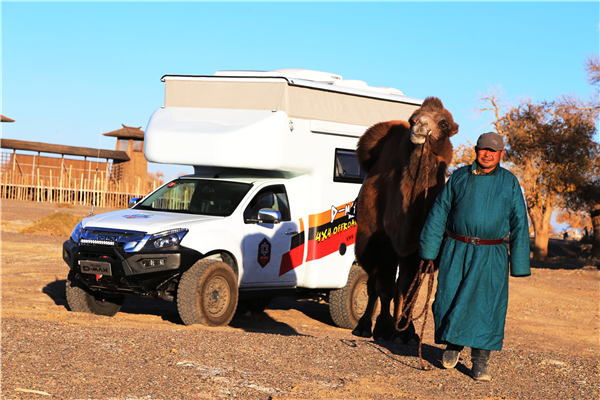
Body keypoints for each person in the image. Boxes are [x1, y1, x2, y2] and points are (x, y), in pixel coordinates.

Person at [419, 132, 531, 382]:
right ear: (476, 150)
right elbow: (439, 212)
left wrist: (520, 262)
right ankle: (453, 346)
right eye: (483, 149)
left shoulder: (509, 182)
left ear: (501, 154)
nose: (487, 154)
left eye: (493, 150)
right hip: (456, 249)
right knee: (449, 298)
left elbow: (520, 222)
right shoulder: (459, 177)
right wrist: (429, 250)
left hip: (492, 254)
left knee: (487, 306)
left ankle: (480, 362)